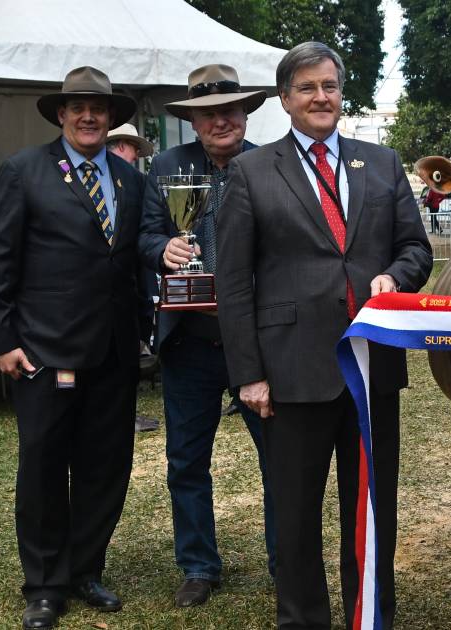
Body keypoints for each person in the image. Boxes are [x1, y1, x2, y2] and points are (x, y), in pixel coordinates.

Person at [214, 42, 432, 629]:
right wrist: (248, 375)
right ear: (285, 100)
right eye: (307, 88)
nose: (321, 97)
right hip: (289, 371)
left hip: (371, 368)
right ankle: (304, 619)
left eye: (330, 86)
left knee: (371, 508)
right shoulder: (251, 171)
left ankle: (371, 614)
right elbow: (234, 283)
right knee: (296, 512)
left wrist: (398, 275)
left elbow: (417, 247)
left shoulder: (381, 164)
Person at [0, 66, 162, 629]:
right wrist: (1, 339)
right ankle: (43, 584)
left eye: (98, 108)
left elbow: (131, 260)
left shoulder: (132, 181)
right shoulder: (25, 170)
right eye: (77, 107)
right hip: (43, 350)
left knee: (105, 467)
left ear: (112, 118)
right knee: (42, 467)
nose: (88, 116)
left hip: (112, 351)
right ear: (60, 114)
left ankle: (85, 569)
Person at [137, 63, 275, 608]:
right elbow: (147, 233)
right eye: (208, 113)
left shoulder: (270, 164)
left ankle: (284, 559)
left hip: (258, 341)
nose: (221, 120)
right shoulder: (167, 167)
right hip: (190, 340)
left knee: (279, 459)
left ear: (244, 114)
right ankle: (198, 565)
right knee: (185, 460)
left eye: (230, 110)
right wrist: (162, 250)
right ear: (193, 122)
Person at [105, 122, 161, 433]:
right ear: (124, 146)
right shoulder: (133, 182)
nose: (138, 154)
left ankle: (127, 414)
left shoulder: (135, 183)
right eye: (134, 148)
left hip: (133, 284)